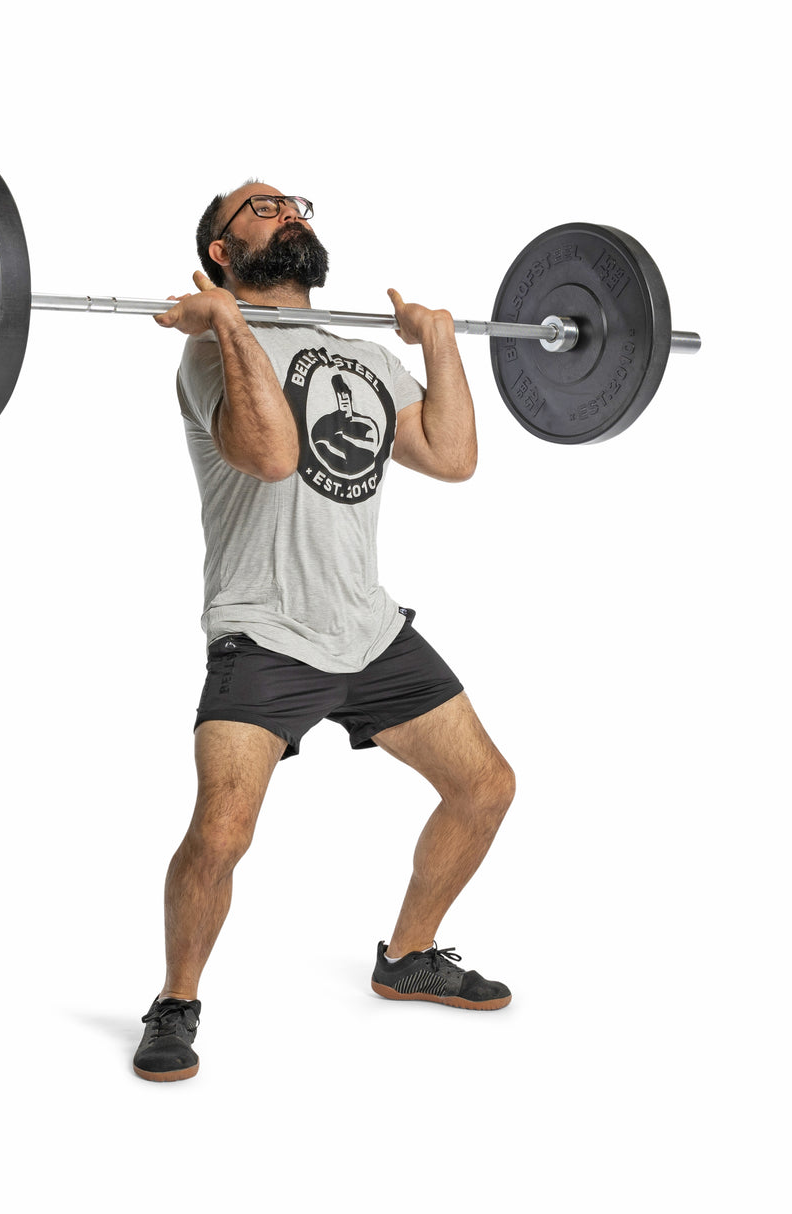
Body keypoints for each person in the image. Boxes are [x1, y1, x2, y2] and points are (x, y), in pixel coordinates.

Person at [133, 182, 515, 1082]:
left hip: (368, 630)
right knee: (222, 832)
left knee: (487, 788)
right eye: (260, 208)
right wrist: (226, 324)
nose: (287, 211)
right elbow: (271, 456)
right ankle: (176, 1000)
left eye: (291, 202)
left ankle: (409, 955)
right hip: (263, 632)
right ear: (221, 253)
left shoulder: (361, 358)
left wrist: (439, 347)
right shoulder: (207, 356)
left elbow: (453, 458)